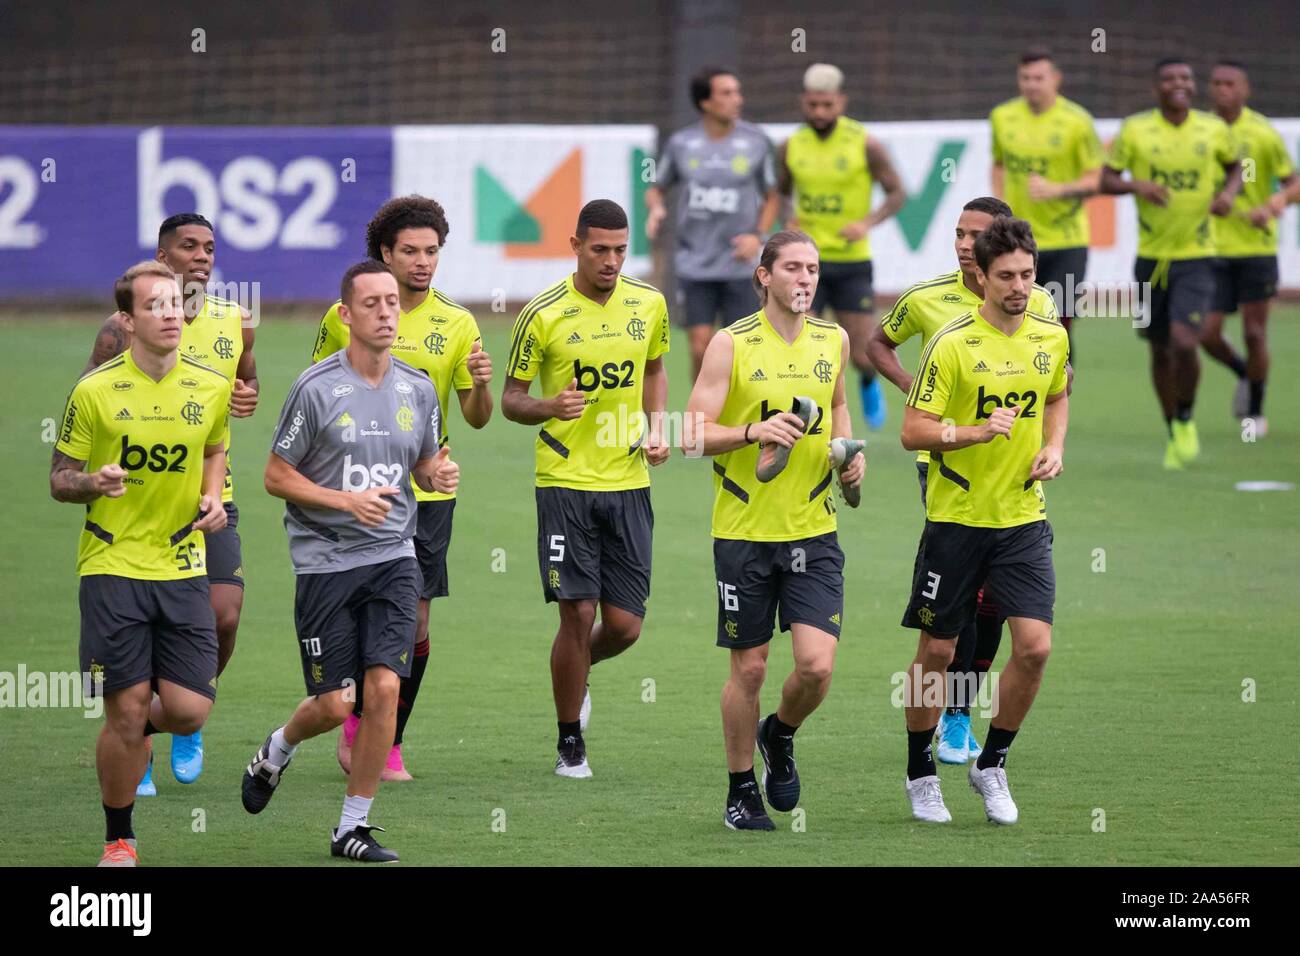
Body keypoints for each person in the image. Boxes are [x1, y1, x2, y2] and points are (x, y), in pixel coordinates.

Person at [241, 261, 458, 863]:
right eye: (373, 304)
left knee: (384, 687)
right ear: (345, 315)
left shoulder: (417, 387)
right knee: (335, 703)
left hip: (393, 555)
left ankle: (351, 829)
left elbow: (421, 464)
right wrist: (344, 500)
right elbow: (274, 476)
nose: (387, 313)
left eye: (393, 302)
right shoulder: (315, 389)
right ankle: (279, 748)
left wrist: (435, 472)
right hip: (326, 563)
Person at [868, 196, 1062, 765]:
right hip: (946, 471)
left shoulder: (1041, 310)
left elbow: (1058, 383)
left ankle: (959, 716)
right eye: (957, 232)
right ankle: (930, 741)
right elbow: (878, 344)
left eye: (973, 234)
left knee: (994, 609)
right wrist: (923, 396)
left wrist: (1053, 444)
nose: (962, 243)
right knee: (950, 626)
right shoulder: (932, 305)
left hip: (1014, 483)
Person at [52, 261, 231, 865]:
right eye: (154, 306)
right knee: (127, 710)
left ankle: (129, 733)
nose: (171, 313)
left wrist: (212, 497)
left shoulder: (209, 386)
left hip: (182, 562)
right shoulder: (95, 390)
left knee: (187, 710)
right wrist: (92, 481)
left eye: (176, 303)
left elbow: (214, 447)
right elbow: (58, 479)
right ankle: (119, 838)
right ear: (127, 321)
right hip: (113, 564)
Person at [685, 229, 864, 830]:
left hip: (814, 529)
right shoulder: (730, 345)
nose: (805, 279)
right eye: (792, 267)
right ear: (764, 276)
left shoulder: (833, 339)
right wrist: (751, 433)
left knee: (816, 667)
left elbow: (838, 405)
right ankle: (740, 791)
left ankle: (778, 734)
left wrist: (846, 453)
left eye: (812, 269)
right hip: (743, 532)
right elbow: (691, 433)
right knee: (751, 667)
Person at [314, 196, 493, 782]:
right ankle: (347, 717)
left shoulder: (458, 323)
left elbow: (476, 417)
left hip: (427, 495)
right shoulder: (345, 317)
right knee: (355, 615)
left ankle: (381, 739)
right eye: (410, 251)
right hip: (355, 491)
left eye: (432, 252)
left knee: (413, 624)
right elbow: (319, 395)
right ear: (385, 253)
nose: (422, 262)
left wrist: (482, 387)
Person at [82, 213, 259, 791]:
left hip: (212, 497)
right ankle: (140, 733)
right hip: (136, 509)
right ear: (163, 255)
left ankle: (183, 718)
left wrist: (247, 394)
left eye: (210, 247)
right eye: (189, 246)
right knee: (136, 665)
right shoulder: (119, 327)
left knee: (226, 614)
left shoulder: (235, 317)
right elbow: (95, 401)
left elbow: (245, 379)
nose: (203, 257)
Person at [502, 199, 670, 778]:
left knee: (624, 626)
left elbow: (653, 369)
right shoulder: (542, 313)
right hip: (565, 483)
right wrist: (549, 405)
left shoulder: (649, 304)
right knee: (576, 611)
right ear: (575, 245)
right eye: (599, 249)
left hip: (629, 481)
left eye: (621, 250)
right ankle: (569, 737)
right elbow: (510, 399)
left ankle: (577, 670)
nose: (611, 260)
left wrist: (658, 426)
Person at [1101, 58, 1242, 470]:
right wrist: (1135, 185)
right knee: (1160, 349)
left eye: (1185, 77)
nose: (1178, 83)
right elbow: (1107, 179)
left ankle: (1186, 416)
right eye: (1169, 78)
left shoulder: (1213, 129)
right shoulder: (1136, 129)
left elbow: (1236, 168)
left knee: (1184, 341)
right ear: (1156, 87)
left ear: (1193, 86)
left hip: (1198, 254)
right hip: (1151, 259)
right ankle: (1172, 428)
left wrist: (1230, 193)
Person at [778, 62, 905, 430]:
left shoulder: (865, 143)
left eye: (827, 105)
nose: (820, 112)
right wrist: (788, 218)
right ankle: (816, 416)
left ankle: (867, 380)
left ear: (841, 101)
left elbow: (897, 191)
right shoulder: (791, 146)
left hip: (851, 263)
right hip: (806, 264)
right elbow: (782, 194)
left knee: (863, 352)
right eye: (813, 105)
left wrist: (867, 222)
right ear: (803, 101)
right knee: (809, 344)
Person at [646, 67, 779, 381]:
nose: (737, 99)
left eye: (738, 92)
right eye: (727, 93)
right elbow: (655, 187)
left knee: (741, 349)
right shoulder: (681, 143)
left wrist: (757, 236)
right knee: (699, 346)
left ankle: (737, 419)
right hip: (695, 263)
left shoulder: (757, 140)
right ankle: (702, 415)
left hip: (740, 264)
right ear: (705, 102)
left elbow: (773, 196)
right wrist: (656, 208)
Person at [1200, 60, 1297, 436]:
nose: (1222, 89)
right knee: (1206, 334)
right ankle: (1245, 372)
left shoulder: (1263, 135)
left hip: (1255, 248)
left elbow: (1293, 183)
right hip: (1211, 248)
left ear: (1245, 90)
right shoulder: (1202, 131)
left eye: (1230, 83)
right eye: (1216, 82)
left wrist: (1276, 202)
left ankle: (1255, 410)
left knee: (1255, 333)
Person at [990, 48, 1104, 352]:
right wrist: (1001, 205)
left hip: (1066, 240)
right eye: (1025, 77)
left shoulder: (1077, 121)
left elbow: (1097, 180)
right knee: (1015, 319)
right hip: (1018, 239)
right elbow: (999, 164)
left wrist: (1057, 189)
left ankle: (1060, 396)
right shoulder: (1003, 117)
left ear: (1056, 79)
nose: (1031, 84)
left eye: (1039, 77)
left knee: (1058, 324)